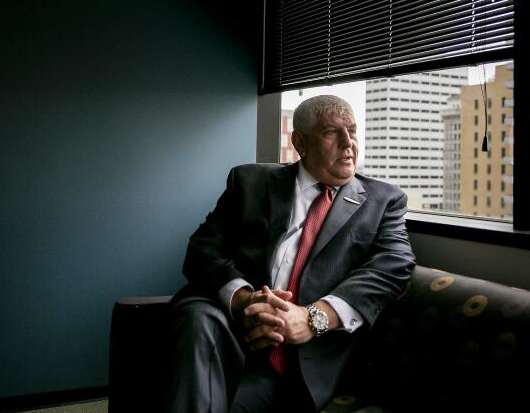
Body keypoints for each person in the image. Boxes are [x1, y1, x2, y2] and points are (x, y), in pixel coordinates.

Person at [165, 94, 415, 412]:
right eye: (331, 132)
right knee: (196, 315)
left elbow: (394, 264)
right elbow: (203, 249)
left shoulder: (384, 200)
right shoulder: (250, 182)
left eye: (352, 131)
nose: (348, 143)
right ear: (300, 142)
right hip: (231, 333)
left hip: (304, 359)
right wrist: (244, 300)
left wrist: (313, 318)